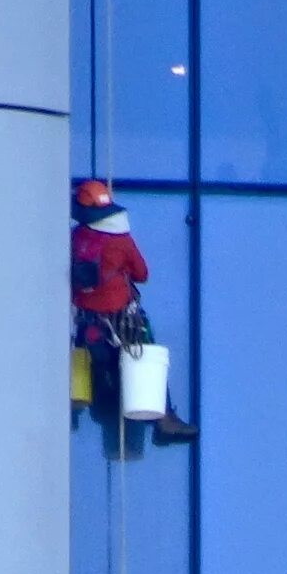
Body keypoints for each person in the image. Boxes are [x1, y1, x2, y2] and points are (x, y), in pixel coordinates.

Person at [71, 179, 195, 444]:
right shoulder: (121, 240)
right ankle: (164, 420)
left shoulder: (76, 236)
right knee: (145, 358)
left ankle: (72, 412)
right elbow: (142, 273)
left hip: (87, 324)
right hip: (122, 320)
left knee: (91, 366)